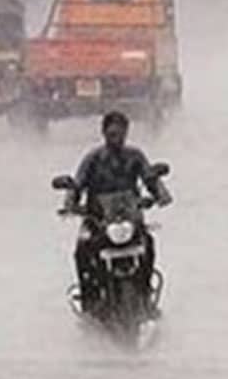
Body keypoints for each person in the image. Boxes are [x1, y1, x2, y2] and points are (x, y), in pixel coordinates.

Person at [64, 111, 172, 318]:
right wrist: (71, 203)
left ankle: (145, 295)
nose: (116, 137)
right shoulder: (92, 159)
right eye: (112, 133)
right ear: (104, 133)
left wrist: (160, 195)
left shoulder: (135, 157)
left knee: (148, 242)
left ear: (126, 133)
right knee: (82, 251)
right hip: (98, 219)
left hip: (128, 217)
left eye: (120, 132)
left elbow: (150, 178)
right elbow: (77, 184)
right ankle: (90, 300)